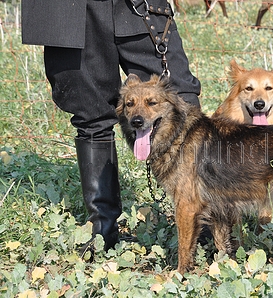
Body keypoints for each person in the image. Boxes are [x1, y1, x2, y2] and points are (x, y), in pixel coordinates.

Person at [21, 0, 201, 255]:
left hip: (138, 4)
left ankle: (203, 219)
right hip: (67, 9)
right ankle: (102, 230)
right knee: (90, 112)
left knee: (180, 95)